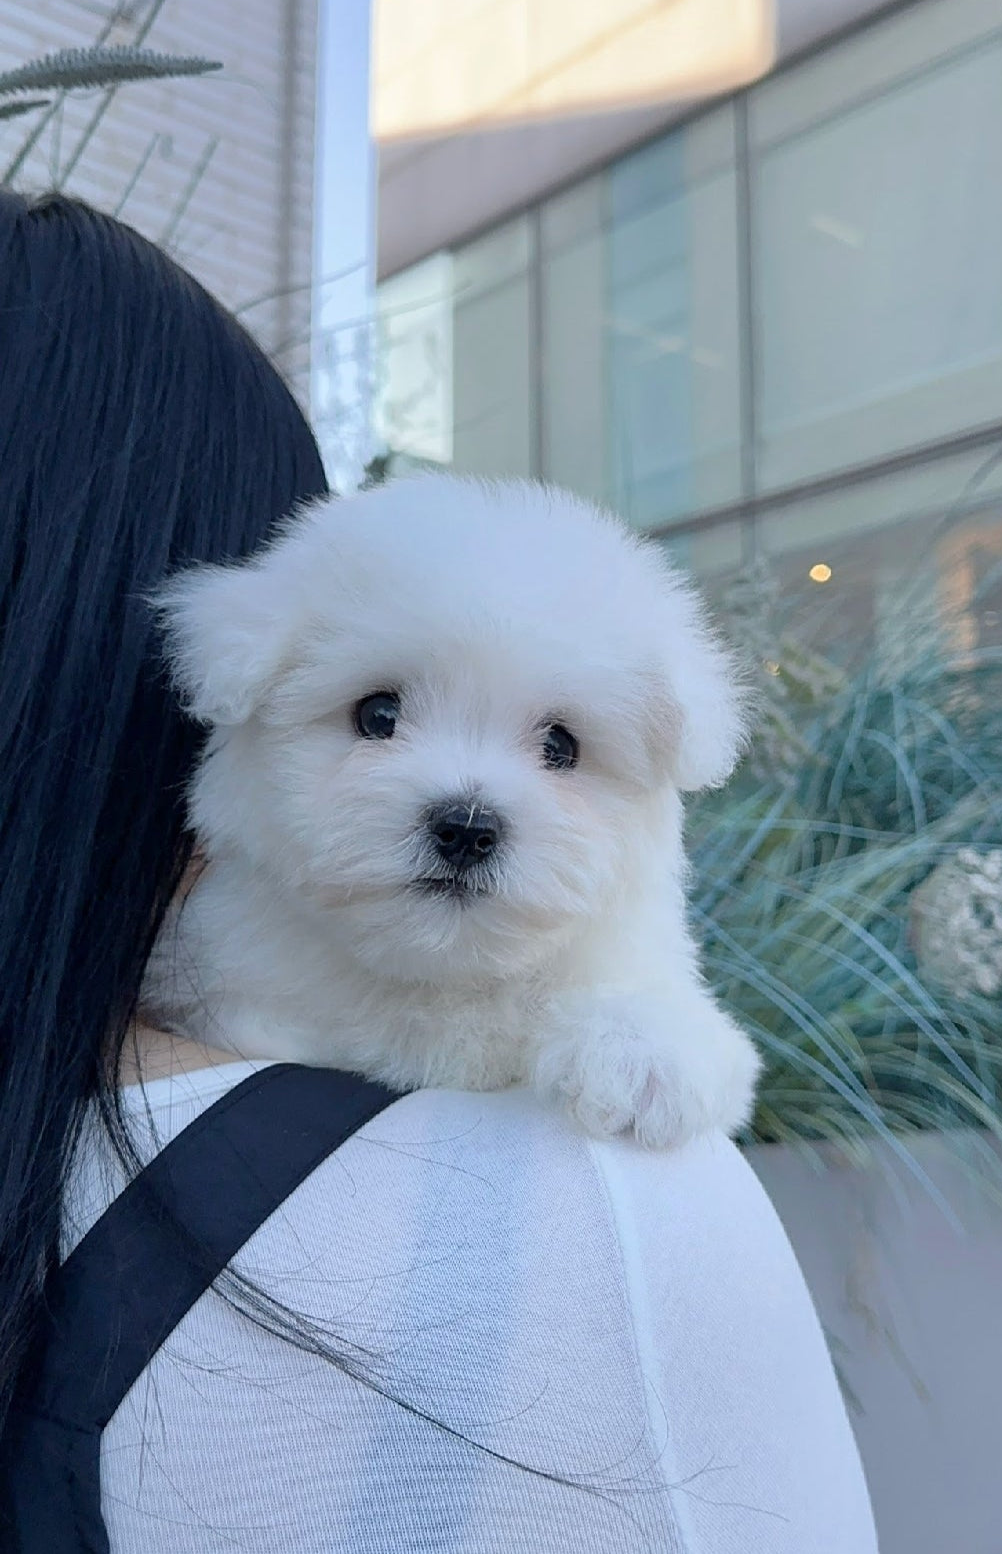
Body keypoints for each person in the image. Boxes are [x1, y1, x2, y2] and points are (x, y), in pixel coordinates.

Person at [0, 190, 879, 1552]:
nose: (467, 803)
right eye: (380, 715)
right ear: (219, 699)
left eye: (560, 744)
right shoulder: (614, 1228)